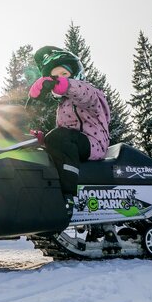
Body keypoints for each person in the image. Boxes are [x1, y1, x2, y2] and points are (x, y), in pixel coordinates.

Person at [28, 46, 111, 220]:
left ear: (76, 73)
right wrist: (43, 140)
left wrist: (63, 84)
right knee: (51, 141)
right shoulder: (63, 104)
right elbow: (62, 135)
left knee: (59, 136)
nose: (58, 78)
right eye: (54, 75)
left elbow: (83, 93)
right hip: (73, 143)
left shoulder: (91, 92)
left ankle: (67, 197)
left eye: (63, 74)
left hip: (93, 142)